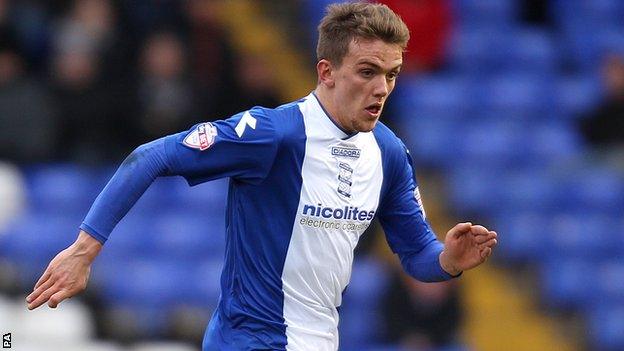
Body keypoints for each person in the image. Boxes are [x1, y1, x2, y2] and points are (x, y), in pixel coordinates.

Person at [25, 3, 498, 350]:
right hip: (247, 341)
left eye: (391, 75)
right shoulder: (273, 134)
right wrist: (84, 249)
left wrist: (449, 260)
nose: (381, 89)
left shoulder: (389, 152)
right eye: (368, 71)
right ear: (326, 72)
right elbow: (150, 156)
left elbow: (416, 254)